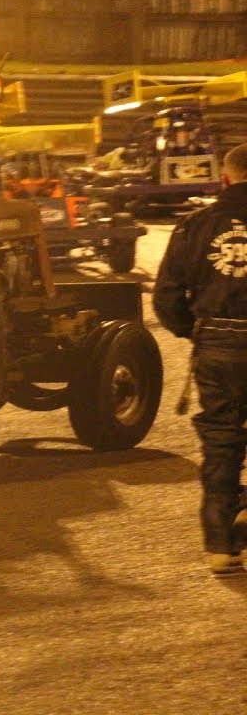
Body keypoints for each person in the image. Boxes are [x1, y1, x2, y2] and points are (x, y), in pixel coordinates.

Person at [154, 142, 247, 576]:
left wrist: (195, 332)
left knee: (222, 442)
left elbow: (167, 297)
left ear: (225, 178)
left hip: (219, 345)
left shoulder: (195, 225)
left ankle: (220, 547)